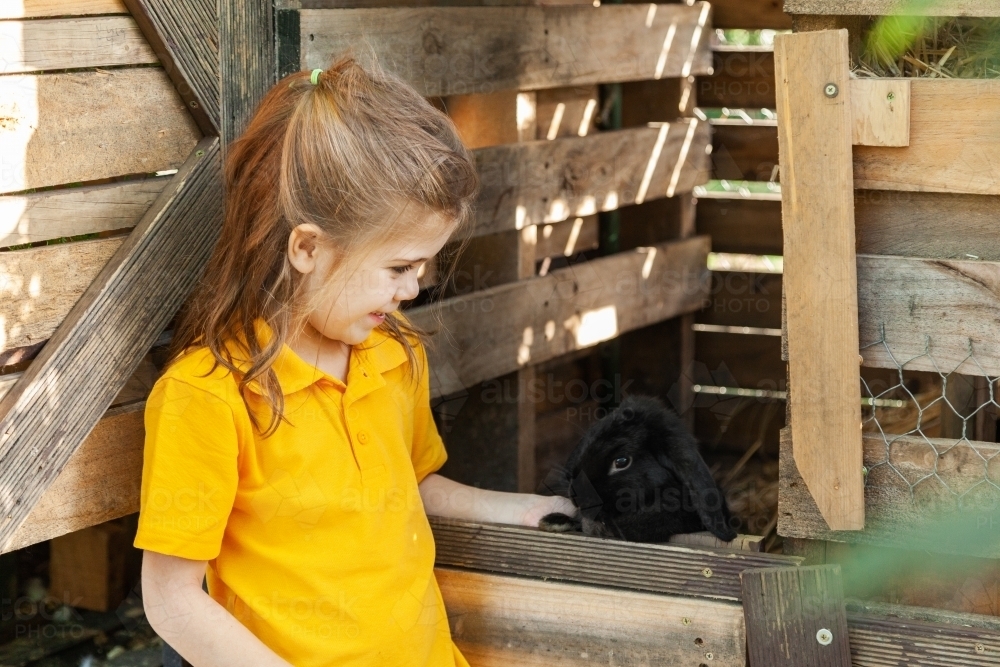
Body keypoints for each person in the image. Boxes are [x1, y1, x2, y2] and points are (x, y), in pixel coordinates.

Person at [134, 58, 576, 667]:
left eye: (422, 268)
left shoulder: (394, 355)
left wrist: (518, 509)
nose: (414, 290)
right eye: (399, 267)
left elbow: (410, 484)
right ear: (309, 248)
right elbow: (171, 600)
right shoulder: (208, 396)